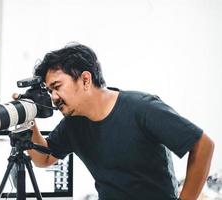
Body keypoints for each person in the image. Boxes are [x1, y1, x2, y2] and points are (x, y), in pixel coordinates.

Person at [14, 43, 214, 200]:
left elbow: (203, 145)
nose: (54, 97)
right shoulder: (73, 123)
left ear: (85, 79)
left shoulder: (142, 108)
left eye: (57, 86)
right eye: (50, 91)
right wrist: (28, 118)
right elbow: (44, 159)